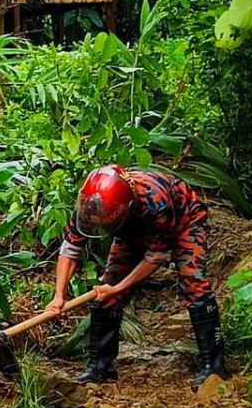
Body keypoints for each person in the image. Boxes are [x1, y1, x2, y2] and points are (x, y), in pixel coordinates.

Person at [49, 165, 228, 388]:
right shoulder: (91, 205)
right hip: (131, 229)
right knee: (106, 291)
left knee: (193, 282)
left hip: (185, 220)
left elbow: (155, 257)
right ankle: (99, 368)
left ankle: (214, 367)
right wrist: (59, 295)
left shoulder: (155, 203)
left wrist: (119, 288)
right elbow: (70, 249)